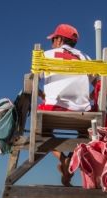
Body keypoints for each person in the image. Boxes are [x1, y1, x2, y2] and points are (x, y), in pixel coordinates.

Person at [40, 24, 94, 186]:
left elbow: (36, 78)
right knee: (85, 134)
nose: (52, 43)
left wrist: (42, 95)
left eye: (53, 39)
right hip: (82, 114)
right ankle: (69, 161)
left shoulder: (46, 55)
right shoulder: (86, 58)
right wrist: (88, 99)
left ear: (60, 39)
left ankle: (64, 159)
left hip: (53, 111)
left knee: (43, 133)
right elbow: (96, 83)